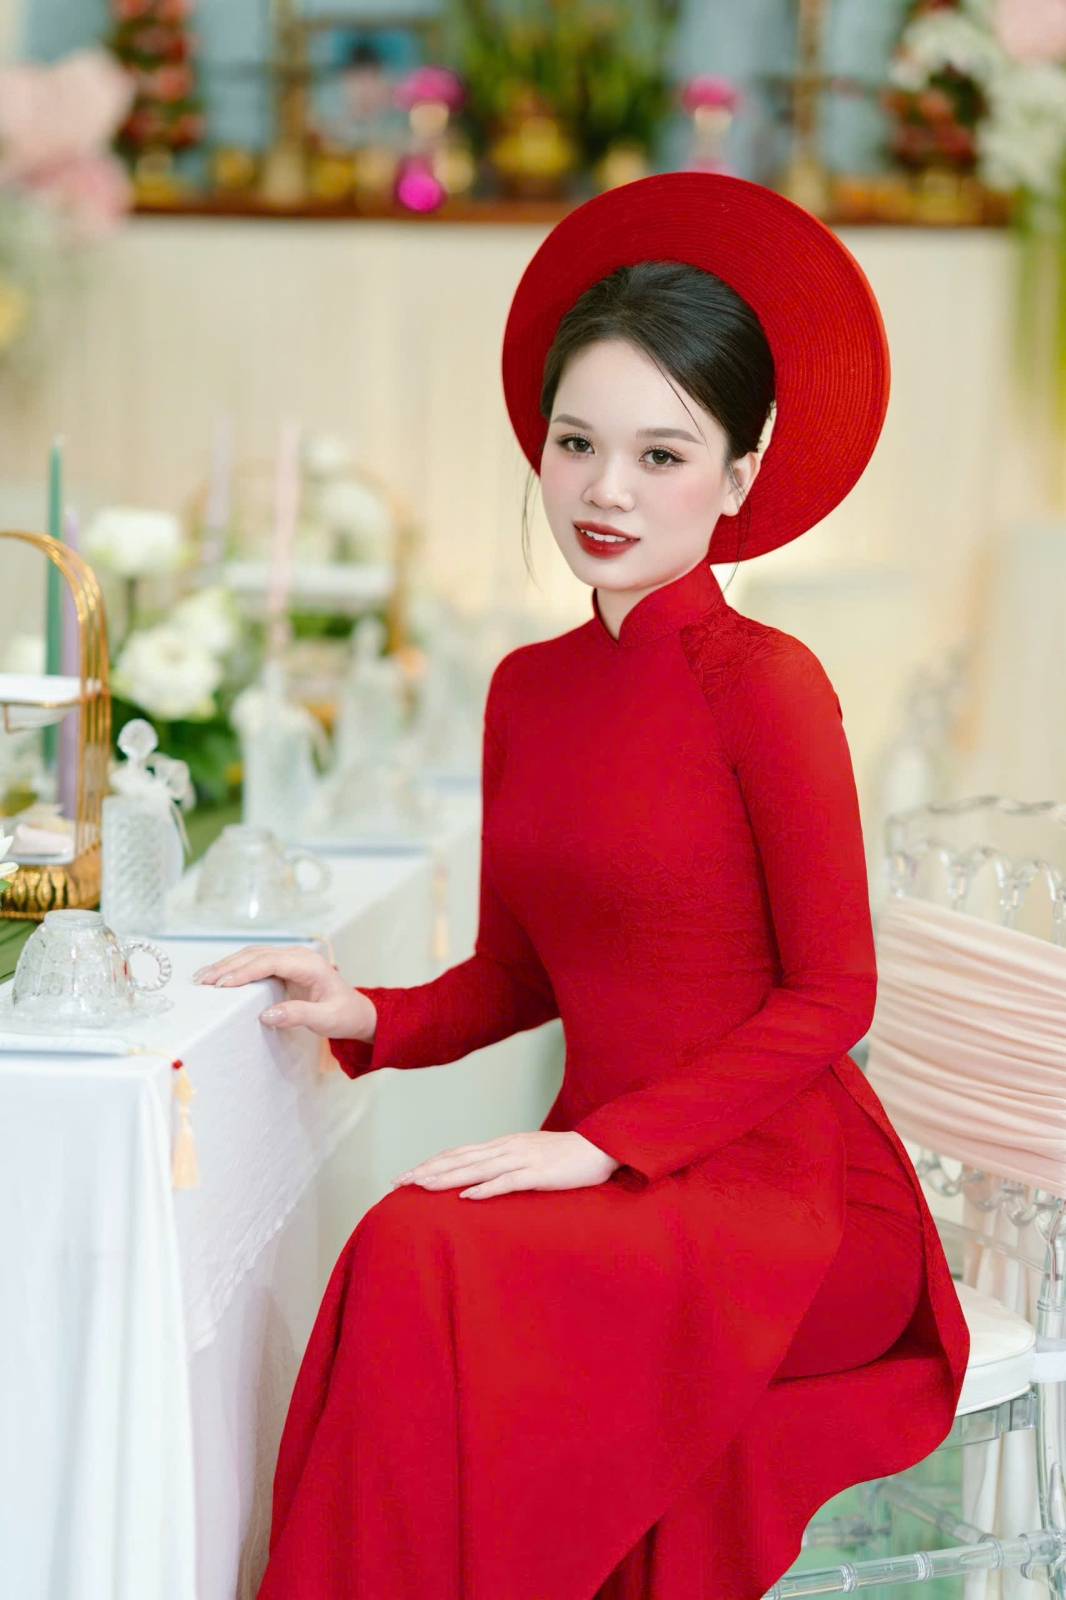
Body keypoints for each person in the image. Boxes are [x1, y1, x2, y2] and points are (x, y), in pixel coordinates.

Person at [195, 173, 970, 1600]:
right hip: (617, 1175)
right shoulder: (527, 690)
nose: (607, 491)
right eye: (577, 444)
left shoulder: (767, 685)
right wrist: (364, 1009)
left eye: (662, 454)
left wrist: (608, 1147)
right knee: (408, 1250)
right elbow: (518, 972)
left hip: (786, 1201)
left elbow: (834, 995)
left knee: (420, 1245)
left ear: (738, 475)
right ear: (541, 450)